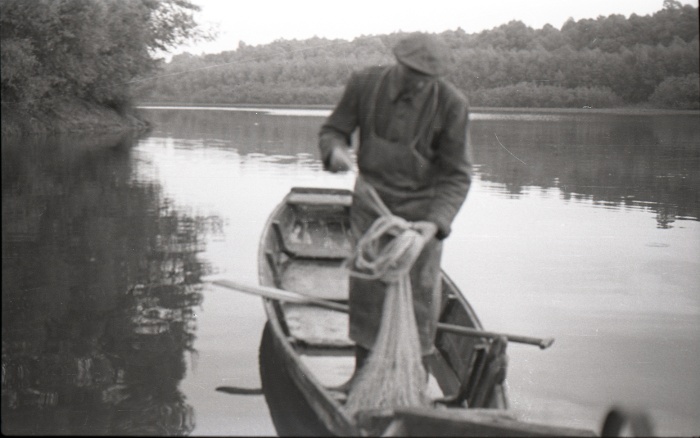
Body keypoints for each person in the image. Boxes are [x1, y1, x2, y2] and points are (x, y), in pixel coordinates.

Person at [318, 32, 473, 389]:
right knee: (367, 286)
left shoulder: (452, 103)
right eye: (413, 74)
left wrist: (434, 225)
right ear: (398, 64)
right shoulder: (364, 84)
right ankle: (361, 377)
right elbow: (332, 131)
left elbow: (457, 175)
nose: (419, 83)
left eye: (427, 78)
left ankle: (412, 382)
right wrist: (336, 151)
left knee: (419, 295)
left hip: (421, 216)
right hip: (371, 206)